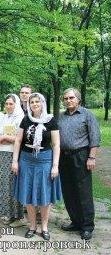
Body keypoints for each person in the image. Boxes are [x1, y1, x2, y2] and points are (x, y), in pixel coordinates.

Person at [12, 93, 62, 241]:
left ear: (43, 103)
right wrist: (15, 161)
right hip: (26, 161)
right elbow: (18, 140)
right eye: (32, 102)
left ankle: (44, 227)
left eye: (37, 101)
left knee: (44, 195)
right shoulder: (26, 119)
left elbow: (56, 144)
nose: (34, 104)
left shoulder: (51, 120)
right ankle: (32, 226)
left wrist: (55, 165)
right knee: (28, 194)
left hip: (45, 160)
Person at [58, 88, 100, 240]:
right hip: (64, 158)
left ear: (78, 99)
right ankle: (75, 222)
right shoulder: (60, 117)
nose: (68, 100)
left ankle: (87, 226)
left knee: (83, 192)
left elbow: (95, 137)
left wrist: (92, 157)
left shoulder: (87, 115)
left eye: (71, 98)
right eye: (66, 98)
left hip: (81, 156)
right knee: (68, 191)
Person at [0, 94, 24, 225]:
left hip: (14, 154)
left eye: (11, 104)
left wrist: (6, 137)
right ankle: (6, 212)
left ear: (16, 104)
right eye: (6, 103)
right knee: (4, 183)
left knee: (12, 182)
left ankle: (16, 214)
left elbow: (21, 138)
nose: (8, 106)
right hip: (3, 152)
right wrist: (4, 137)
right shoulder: (4, 117)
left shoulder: (20, 118)